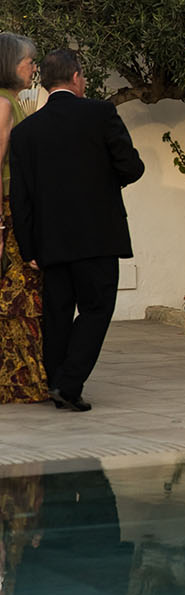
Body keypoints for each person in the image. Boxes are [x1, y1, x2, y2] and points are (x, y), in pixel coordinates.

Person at [9, 48, 145, 410]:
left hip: (50, 240)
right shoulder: (101, 113)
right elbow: (130, 167)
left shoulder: (25, 132)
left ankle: (57, 383)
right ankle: (69, 384)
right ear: (75, 77)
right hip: (98, 234)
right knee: (97, 308)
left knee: (57, 313)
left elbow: (21, 197)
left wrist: (29, 248)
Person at [0, 33, 46, 404]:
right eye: (28, 62)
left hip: (15, 208)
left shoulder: (12, 103)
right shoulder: (3, 105)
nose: (33, 68)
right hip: (6, 210)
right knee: (16, 298)